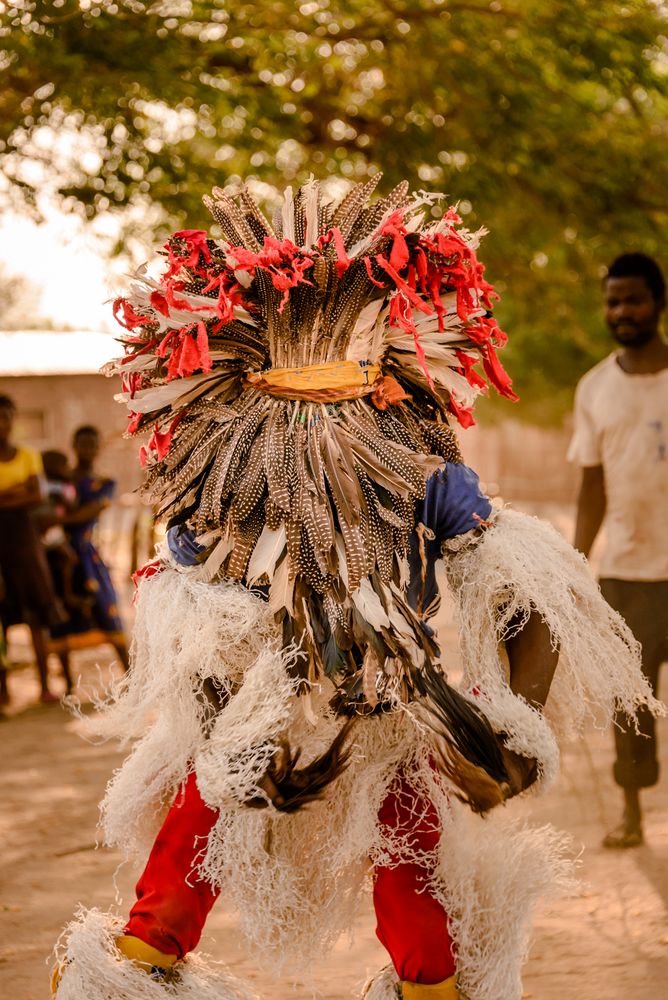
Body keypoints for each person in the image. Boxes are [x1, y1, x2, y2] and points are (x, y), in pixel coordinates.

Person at [53, 180, 658, 1000]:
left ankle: (430, 985)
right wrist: (239, 724)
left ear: (384, 376)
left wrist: (505, 735)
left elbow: (532, 595)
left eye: (341, 390)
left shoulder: (427, 477)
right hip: (257, 715)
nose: (320, 419)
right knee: (204, 816)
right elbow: (190, 629)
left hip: (387, 708)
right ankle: (140, 963)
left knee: (407, 847)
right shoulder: (221, 494)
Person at [570, 252, 668, 849]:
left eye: (633, 299)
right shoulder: (594, 388)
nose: (622, 311)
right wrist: (575, 567)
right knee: (629, 701)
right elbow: (591, 485)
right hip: (627, 574)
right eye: (613, 301)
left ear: (658, 302)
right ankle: (631, 812)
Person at [0, 393, 67, 702]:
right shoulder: (26, 462)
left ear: (14, 420)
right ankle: (3, 692)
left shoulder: (28, 454)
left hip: (24, 542)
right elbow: (28, 493)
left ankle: (44, 686)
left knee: (37, 614)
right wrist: (18, 491)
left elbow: (37, 496)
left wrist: (8, 496)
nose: (2, 423)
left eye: (6, 416)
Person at [51, 426, 130, 673]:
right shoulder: (60, 479)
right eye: (83, 444)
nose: (88, 449)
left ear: (99, 447)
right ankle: (66, 684)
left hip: (86, 554)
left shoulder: (105, 482)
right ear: (74, 445)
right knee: (61, 613)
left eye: (92, 444)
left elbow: (89, 511)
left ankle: (130, 675)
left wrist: (55, 520)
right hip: (58, 552)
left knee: (107, 609)